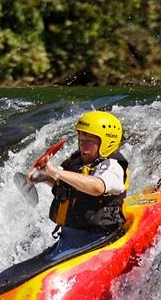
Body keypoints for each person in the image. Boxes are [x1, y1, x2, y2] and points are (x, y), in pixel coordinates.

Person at [28, 110, 129, 261]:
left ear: (107, 142)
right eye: (81, 139)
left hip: (98, 239)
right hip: (69, 238)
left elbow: (97, 188)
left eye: (89, 140)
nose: (83, 145)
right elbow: (67, 188)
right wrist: (43, 177)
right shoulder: (75, 162)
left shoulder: (112, 166)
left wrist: (55, 172)